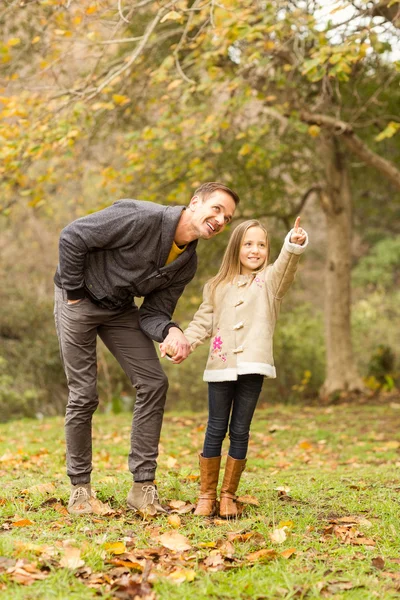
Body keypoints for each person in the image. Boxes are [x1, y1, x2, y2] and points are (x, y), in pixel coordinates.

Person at [53, 182, 239, 515]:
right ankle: (80, 490)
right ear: (195, 202)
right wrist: (73, 294)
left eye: (227, 218)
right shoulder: (142, 217)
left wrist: (171, 331)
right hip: (78, 301)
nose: (220, 220)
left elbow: (153, 312)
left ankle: (143, 488)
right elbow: (73, 235)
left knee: (154, 382)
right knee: (84, 394)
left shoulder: (186, 263)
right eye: (216, 209)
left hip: (120, 309)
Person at [160, 217, 308, 518]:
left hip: (253, 366)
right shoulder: (216, 286)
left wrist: (293, 244)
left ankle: (228, 495)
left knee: (240, 430)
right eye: (248, 244)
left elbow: (285, 266)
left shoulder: (270, 282)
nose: (255, 250)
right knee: (215, 427)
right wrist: (183, 343)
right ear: (236, 248)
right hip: (221, 366)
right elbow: (203, 321)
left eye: (262, 245)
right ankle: (206, 496)